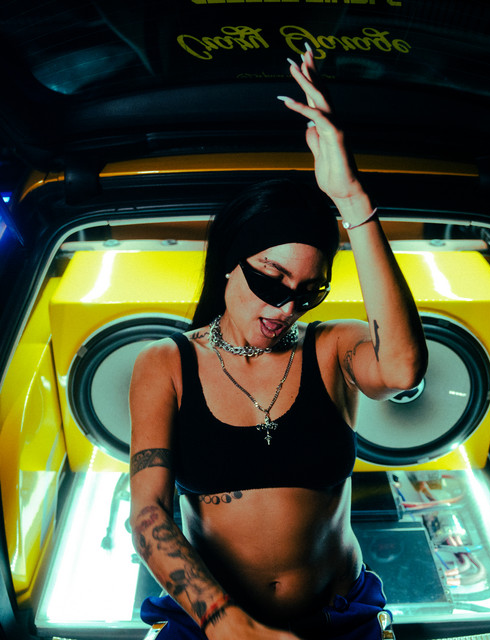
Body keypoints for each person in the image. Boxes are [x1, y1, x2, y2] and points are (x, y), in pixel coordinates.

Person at [129, 46, 428, 640]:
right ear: (229, 263)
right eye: (271, 280)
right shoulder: (167, 363)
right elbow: (149, 516)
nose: (286, 308)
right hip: (211, 621)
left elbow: (401, 370)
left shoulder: (332, 349)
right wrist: (228, 624)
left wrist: (352, 202)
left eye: (309, 292)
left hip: (339, 618)